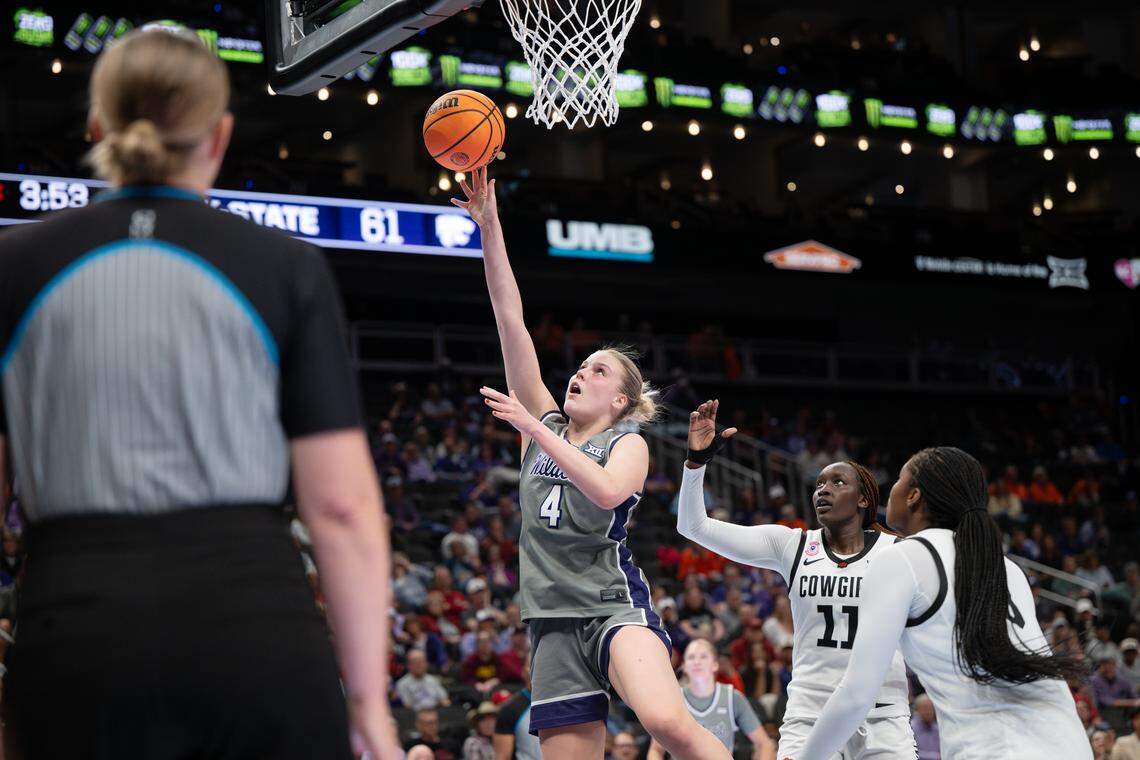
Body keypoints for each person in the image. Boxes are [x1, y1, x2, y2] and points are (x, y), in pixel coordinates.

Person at [0, 27, 397, 760]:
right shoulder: (284, 266)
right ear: (218, 136)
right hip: (254, 629)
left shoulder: (14, 262)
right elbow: (340, 507)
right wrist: (369, 704)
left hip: (74, 632)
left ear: (98, 127)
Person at [452, 167, 729, 760]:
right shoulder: (547, 426)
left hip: (610, 606)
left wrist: (531, 427)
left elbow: (606, 493)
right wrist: (490, 227)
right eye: (580, 366)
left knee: (664, 721)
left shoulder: (627, 442)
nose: (580, 373)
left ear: (621, 399)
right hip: (549, 621)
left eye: (598, 371)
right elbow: (510, 318)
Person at [790, 447, 1092, 760]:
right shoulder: (1006, 568)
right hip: (1070, 743)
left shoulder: (902, 559)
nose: (889, 490)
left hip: (998, 749)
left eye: (897, 481)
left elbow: (856, 695)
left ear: (913, 496)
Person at [677, 401, 915, 760]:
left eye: (837, 482)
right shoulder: (793, 545)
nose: (824, 489)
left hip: (881, 715)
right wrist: (696, 463)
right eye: (818, 483)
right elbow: (693, 527)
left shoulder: (898, 552)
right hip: (810, 715)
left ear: (864, 498)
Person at [647, 639, 776, 760]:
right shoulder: (673, 699)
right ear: (685, 666)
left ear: (715, 665)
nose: (697, 661)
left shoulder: (732, 698)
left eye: (703, 656)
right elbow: (655, 750)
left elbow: (765, 744)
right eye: (691, 657)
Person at [494, 665, 542, 760]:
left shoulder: (563, 702)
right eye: (531, 665)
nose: (536, 668)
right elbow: (502, 756)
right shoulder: (510, 709)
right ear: (523, 672)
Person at [910, 694, 940, 759]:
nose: (928, 712)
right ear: (916, 710)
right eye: (925, 708)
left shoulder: (937, 728)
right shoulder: (910, 728)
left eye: (931, 708)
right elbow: (911, 753)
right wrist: (936, 757)